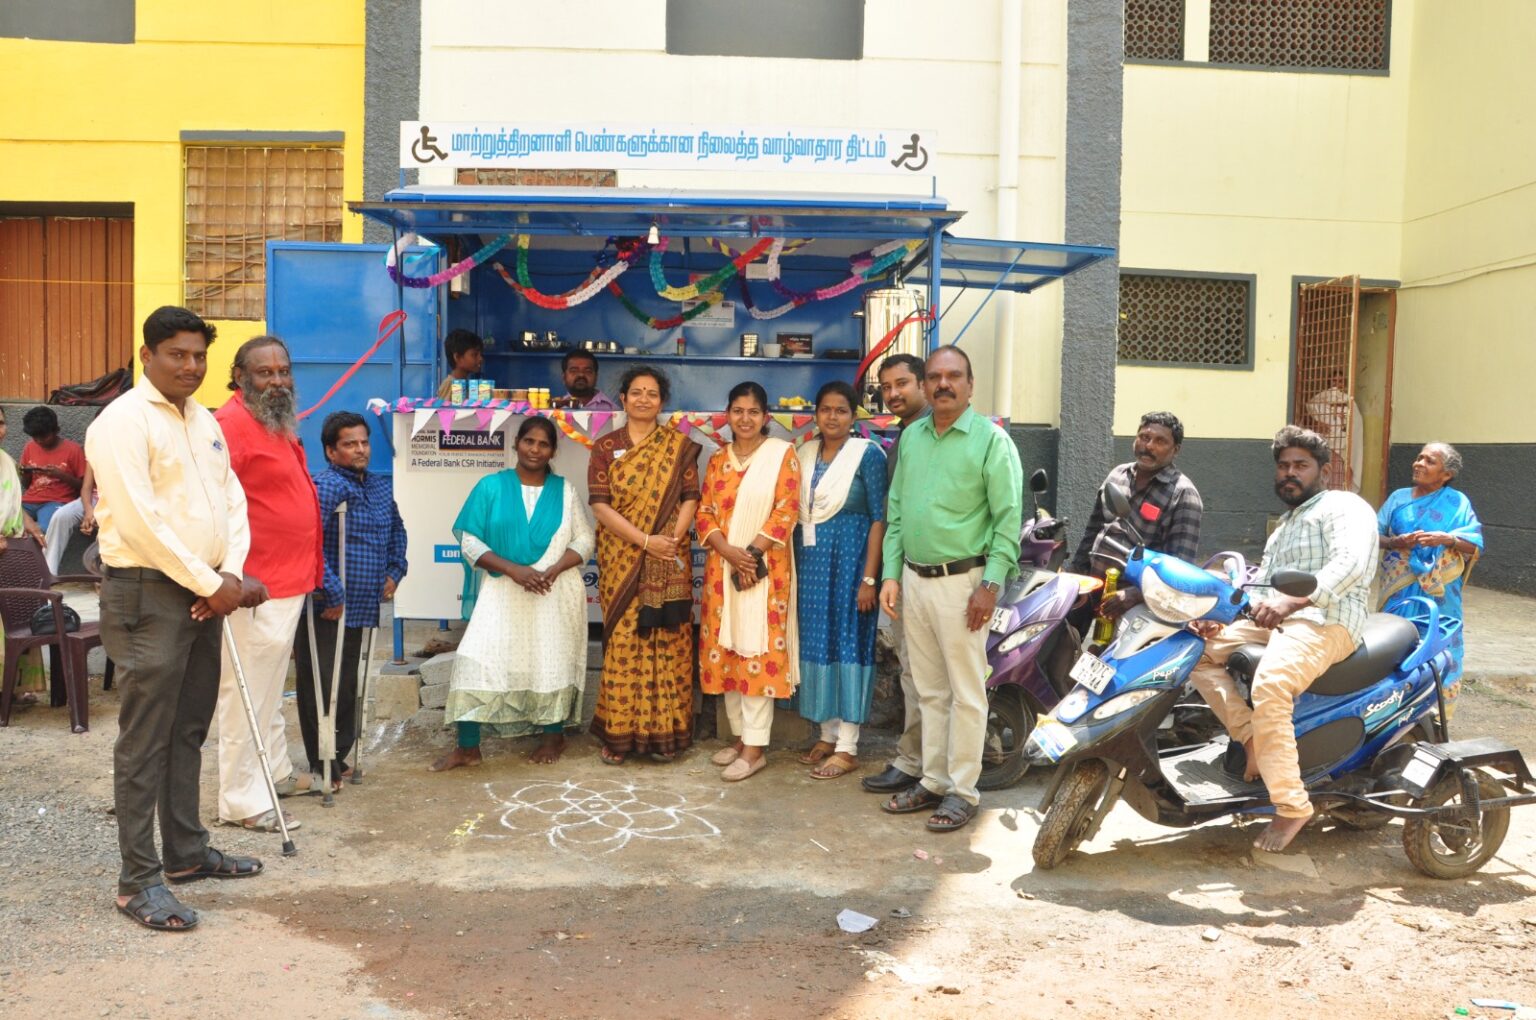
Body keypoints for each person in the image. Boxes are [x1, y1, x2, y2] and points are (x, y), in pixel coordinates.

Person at [88, 305, 258, 932]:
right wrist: (213, 584)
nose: (191, 366)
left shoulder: (203, 420)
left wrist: (230, 575)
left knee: (188, 726)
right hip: (147, 592)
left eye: (198, 355)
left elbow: (230, 498)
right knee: (145, 739)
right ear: (147, 357)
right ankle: (137, 883)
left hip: (205, 592)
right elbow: (137, 519)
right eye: (177, 355)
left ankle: (185, 853)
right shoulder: (121, 423)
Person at [1187, 425, 1378, 852]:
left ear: (1324, 471)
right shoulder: (1285, 525)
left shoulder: (1345, 507)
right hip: (1278, 619)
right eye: (1283, 466)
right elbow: (1259, 589)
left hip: (1327, 619)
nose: (1290, 473)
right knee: (1194, 652)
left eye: (1301, 465)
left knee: (1270, 684)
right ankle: (1251, 738)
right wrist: (1220, 619)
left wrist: (1293, 602)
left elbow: (1350, 564)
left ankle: (1292, 805)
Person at [877, 346, 1022, 833]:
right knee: (929, 689)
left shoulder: (991, 442)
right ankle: (933, 780)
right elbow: (896, 514)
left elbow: (1007, 522)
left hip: (964, 585)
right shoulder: (914, 438)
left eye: (953, 376)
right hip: (914, 581)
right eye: (936, 376)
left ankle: (963, 790)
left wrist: (991, 584)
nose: (943, 384)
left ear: (970, 384)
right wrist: (891, 575)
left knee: (965, 692)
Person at [432, 417, 594, 770]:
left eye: (544, 444)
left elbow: (585, 540)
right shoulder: (490, 487)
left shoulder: (565, 490)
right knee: (476, 660)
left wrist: (552, 570)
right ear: (516, 443)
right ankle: (468, 747)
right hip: (503, 590)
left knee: (549, 661)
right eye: (529, 441)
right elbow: (470, 541)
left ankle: (553, 736)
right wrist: (514, 570)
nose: (535, 450)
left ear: (553, 450)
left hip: (554, 592)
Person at [212, 336, 323, 830]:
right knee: (245, 694)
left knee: (270, 686)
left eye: (283, 371)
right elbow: (211, 508)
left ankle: (274, 771)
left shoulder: (274, 421)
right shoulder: (227, 426)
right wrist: (231, 570)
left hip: (289, 577)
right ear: (240, 377)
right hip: (255, 583)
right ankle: (242, 801)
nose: (277, 381)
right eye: (265, 373)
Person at [587, 367, 701, 764]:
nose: (643, 399)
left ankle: (665, 737)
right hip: (623, 558)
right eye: (636, 392)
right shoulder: (604, 447)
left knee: (668, 643)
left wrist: (669, 543)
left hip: (669, 557)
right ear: (622, 399)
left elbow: (690, 496)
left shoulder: (678, 445)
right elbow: (600, 506)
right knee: (623, 642)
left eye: (652, 394)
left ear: (662, 402)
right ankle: (618, 737)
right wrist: (646, 542)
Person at [297, 412, 408, 785]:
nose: (360, 449)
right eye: (349, 443)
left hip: (363, 606)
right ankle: (322, 761)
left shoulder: (378, 486)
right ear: (331, 450)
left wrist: (395, 570)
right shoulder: (326, 486)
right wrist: (332, 589)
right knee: (323, 683)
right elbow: (308, 543)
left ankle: (339, 753)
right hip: (330, 606)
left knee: (347, 685)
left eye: (363, 442)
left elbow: (397, 529)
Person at [698, 381, 801, 782]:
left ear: (766, 417)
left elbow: (786, 509)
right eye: (737, 410)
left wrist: (751, 553)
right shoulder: (718, 460)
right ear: (728, 414)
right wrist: (728, 552)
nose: (744, 419)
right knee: (729, 650)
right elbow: (705, 512)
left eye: (753, 412)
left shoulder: (782, 455)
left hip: (764, 571)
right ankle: (742, 738)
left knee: (757, 650)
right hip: (723, 571)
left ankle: (756, 749)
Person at [793, 380, 887, 779]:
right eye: (825, 409)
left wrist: (869, 578)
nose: (832, 417)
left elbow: (881, 518)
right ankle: (827, 734)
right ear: (815, 414)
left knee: (850, 644)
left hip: (851, 566)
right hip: (811, 567)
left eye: (841, 410)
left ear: (853, 417)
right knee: (818, 644)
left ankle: (848, 746)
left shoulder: (868, 455)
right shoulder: (804, 454)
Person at [863, 353, 934, 795]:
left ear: (924, 384)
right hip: (907, 574)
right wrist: (887, 576)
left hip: (948, 576)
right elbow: (895, 516)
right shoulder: (904, 437)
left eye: (902, 384)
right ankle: (915, 761)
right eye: (886, 387)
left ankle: (934, 769)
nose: (893, 394)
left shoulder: (938, 434)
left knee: (938, 677)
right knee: (913, 672)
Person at [1377, 442, 1483, 716]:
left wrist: (1446, 539)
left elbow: (1474, 545)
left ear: (1446, 474)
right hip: (1399, 589)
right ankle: (1388, 710)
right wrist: (1394, 541)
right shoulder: (1398, 499)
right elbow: (1373, 534)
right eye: (1419, 457)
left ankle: (1436, 713)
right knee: (1394, 643)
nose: (1418, 464)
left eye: (1429, 461)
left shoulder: (1457, 502)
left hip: (1441, 594)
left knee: (1440, 642)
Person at [1070, 411, 1204, 617]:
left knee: (1113, 649)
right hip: (1093, 584)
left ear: (1175, 450)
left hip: (1136, 601)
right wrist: (1075, 573)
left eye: (1160, 441)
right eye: (1144, 437)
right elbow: (1094, 528)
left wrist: (1135, 594)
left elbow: (1180, 567)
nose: (1149, 446)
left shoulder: (1183, 495)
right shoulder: (1117, 475)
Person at [19, 405, 85, 533]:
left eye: (44, 437)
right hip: (29, 501)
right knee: (7, 521)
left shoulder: (73, 450)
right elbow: (26, 485)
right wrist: (25, 473)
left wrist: (61, 475)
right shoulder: (30, 447)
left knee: (44, 529)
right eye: (35, 437)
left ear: (56, 430)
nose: (39, 441)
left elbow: (84, 486)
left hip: (56, 502)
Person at [1305, 374, 1364, 493]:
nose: (1337, 384)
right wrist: (1320, 422)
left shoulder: (1349, 402)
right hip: (1325, 446)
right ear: (1329, 382)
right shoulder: (1319, 400)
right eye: (1334, 380)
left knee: (1338, 477)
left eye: (1341, 381)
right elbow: (1312, 414)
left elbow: (1355, 424)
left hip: (1341, 448)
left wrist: (1344, 420)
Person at [42, 462, 98, 574]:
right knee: (61, 516)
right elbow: (86, 488)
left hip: (119, 502)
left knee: (109, 523)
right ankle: (48, 572)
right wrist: (88, 511)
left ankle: (101, 574)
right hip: (93, 498)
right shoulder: (95, 449)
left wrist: (99, 515)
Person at [435, 328, 485, 401]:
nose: (480, 358)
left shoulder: (467, 384)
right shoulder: (449, 384)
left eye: (480, 354)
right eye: (474, 354)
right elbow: (443, 411)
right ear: (457, 357)